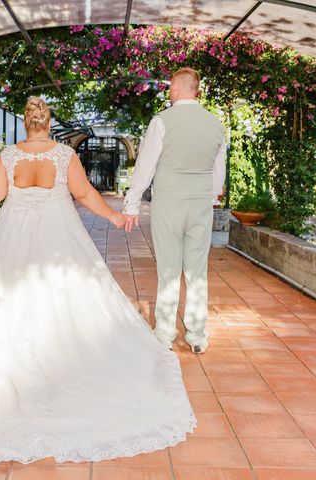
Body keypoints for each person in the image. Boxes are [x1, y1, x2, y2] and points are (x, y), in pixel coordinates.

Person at [0, 96, 196, 465]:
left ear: (26, 123)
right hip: (59, 241)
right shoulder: (63, 156)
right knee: (65, 297)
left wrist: (4, 173)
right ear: (47, 123)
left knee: (7, 298)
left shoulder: (10, 156)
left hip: (13, 240)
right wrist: (112, 216)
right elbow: (85, 193)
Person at [123, 67, 227, 354]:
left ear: (178, 88)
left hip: (168, 203)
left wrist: (132, 204)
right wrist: (212, 196)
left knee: (168, 268)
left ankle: (165, 332)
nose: (169, 91)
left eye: (170, 87)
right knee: (197, 271)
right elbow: (218, 173)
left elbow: (146, 166)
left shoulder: (161, 122)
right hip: (200, 206)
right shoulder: (216, 125)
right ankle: (196, 336)